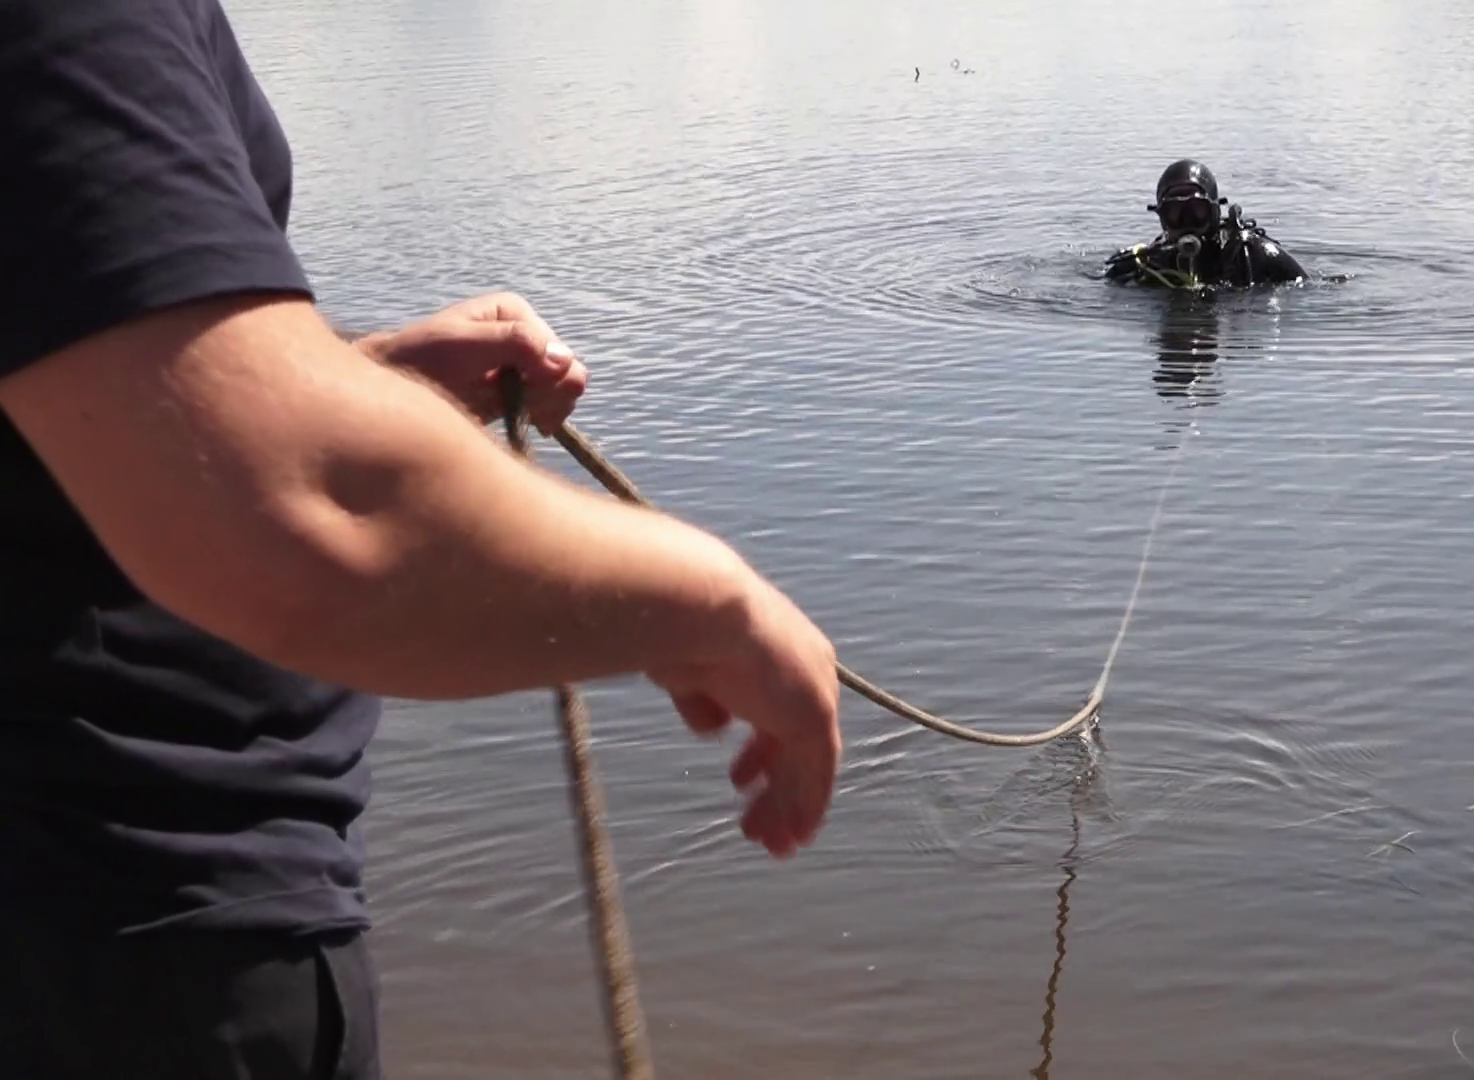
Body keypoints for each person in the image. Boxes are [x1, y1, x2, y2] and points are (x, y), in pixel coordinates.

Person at [0, 2, 843, 1077]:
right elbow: (310, 520)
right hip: (123, 944)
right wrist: (714, 604)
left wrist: (360, 383)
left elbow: (81, 391)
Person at [1104, 159, 1309, 289]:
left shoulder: (1251, 254)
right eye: (1174, 213)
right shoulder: (1151, 264)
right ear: (1162, 218)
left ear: (1214, 211)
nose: (1187, 222)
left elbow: (1307, 288)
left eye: (1197, 210)